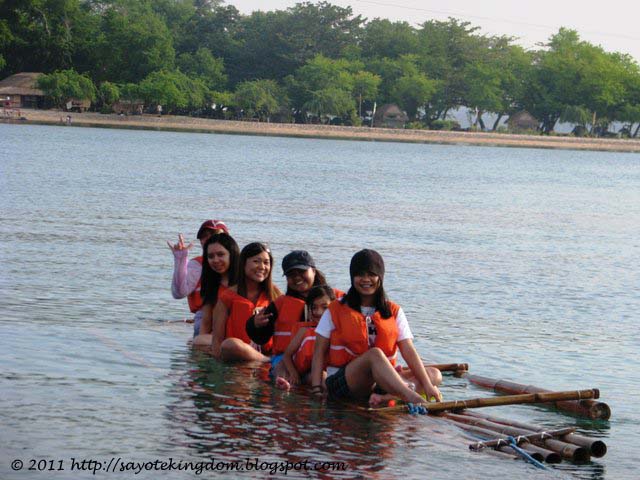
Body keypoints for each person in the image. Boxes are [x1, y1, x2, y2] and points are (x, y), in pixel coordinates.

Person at [310, 249, 442, 405]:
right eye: (360, 274)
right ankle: (410, 396)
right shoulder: (335, 310)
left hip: (379, 382)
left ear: (380, 277)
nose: (366, 279)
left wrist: (427, 385)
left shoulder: (394, 311)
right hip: (344, 381)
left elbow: (408, 350)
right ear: (352, 277)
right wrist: (316, 388)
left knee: (434, 374)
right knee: (374, 354)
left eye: (371, 274)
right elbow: (318, 352)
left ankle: (386, 397)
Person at [246, 250, 341, 377]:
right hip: (286, 359)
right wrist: (255, 324)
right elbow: (261, 338)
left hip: (324, 358)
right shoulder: (280, 304)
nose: (297, 277)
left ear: (313, 271)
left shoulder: (337, 299)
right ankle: (283, 385)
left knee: (323, 377)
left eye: (301, 271)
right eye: (291, 274)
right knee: (281, 369)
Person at [196, 242, 282, 362]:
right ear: (243, 264)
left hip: (267, 354)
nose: (262, 267)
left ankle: (266, 360)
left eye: (266, 262)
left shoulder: (276, 295)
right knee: (228, 344)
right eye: (256, 261)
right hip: (237, 353)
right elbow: (217, 341)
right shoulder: (227, 297)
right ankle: (264, 360)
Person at [168, 219, 229, 335]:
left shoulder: (240, 264)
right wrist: (180, 259)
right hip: (204, 323)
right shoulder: (197, 265)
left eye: (215, 235)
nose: (209, 239)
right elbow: (179, 293)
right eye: (204, 236)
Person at [274, 285, 336, 390]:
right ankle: (285, 384)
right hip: (298, 373)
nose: (319, 312)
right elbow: (287, 355)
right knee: (281, 366)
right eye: (314, 308)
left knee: (323, 377)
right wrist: (293, 373)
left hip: (313, 375)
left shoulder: (338, 332)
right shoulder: (304, 331)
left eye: (325, 307)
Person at [197, 232, 241, 337]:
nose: (215, 260)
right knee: (199, 340)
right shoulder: (210, 284)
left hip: (243, 339)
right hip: (217, 339)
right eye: (211, 256)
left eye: (220, 254)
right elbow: (206, 323)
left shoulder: (247, 281)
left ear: (232, 254)